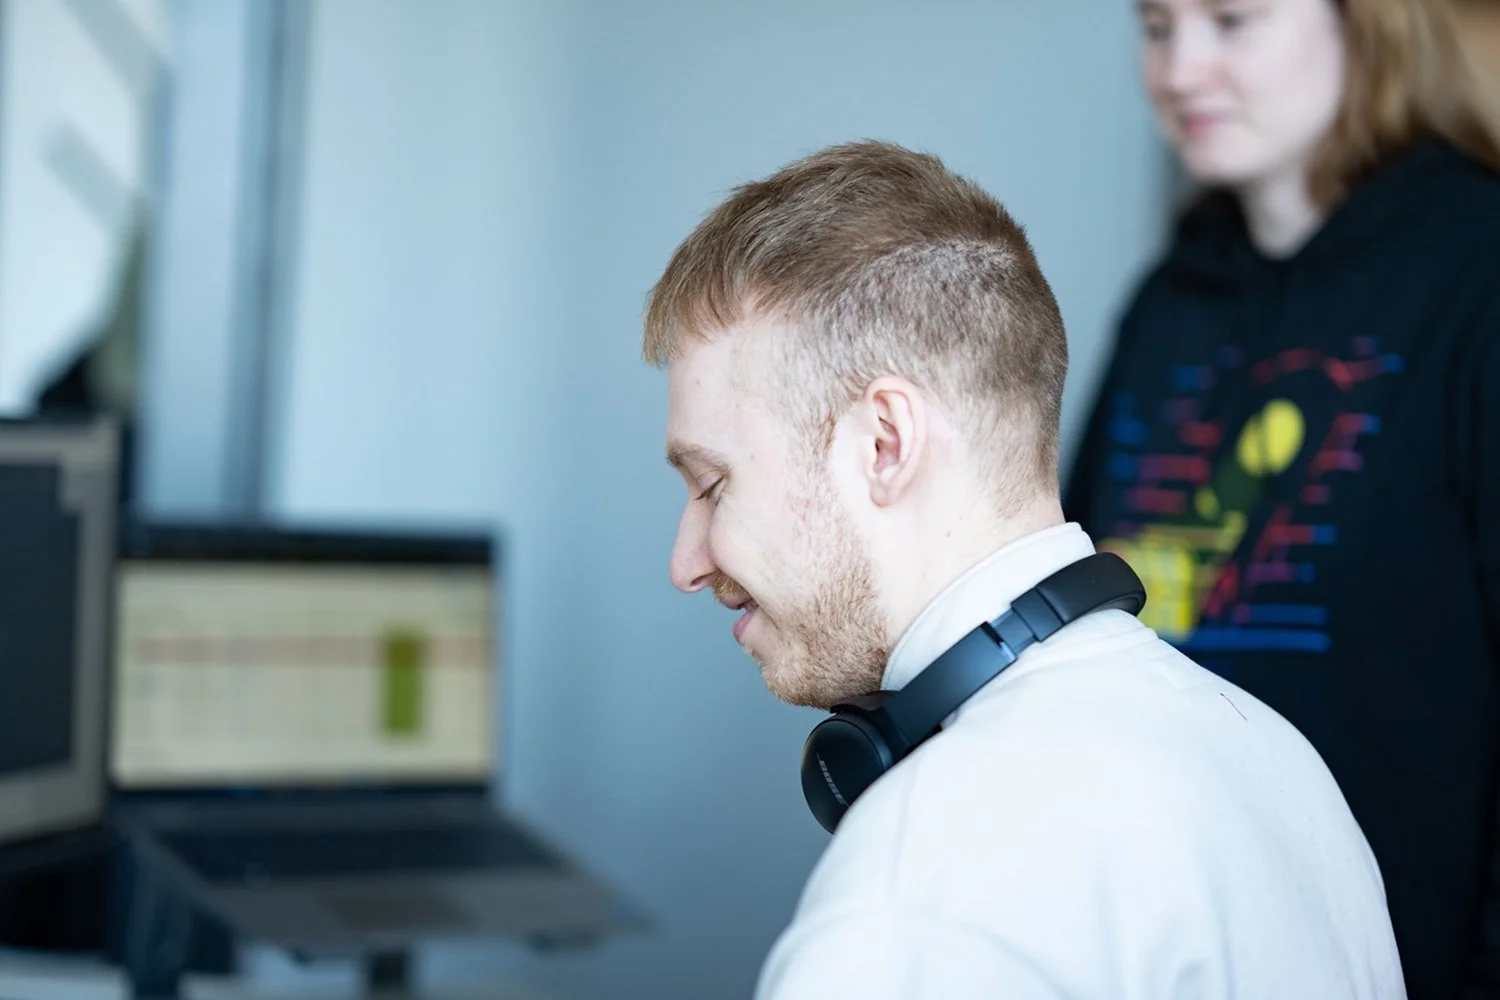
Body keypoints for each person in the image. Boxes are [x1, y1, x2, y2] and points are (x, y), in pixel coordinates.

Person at [643, 139, 1405, 998]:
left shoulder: (924, 884)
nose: (686, 562)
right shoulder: (1280, 764)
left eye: (712, 485)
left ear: (884, 445)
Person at [1062, 2, 1500, 997]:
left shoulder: (1479, 271)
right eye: (1158, 26)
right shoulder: (1169, 299)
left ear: (1369, 24)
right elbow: (1075, 626)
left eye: (1231, 20)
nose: (1180, 70)